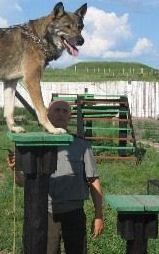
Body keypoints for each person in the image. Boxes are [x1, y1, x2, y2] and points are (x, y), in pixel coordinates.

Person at [7, 100, 104, 254]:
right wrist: (14, 170)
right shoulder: (37, 145)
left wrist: (99, 215)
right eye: (56, 110)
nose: (60, 114)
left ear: (70, 117)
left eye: (65, 111)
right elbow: (23, 183)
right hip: (47, 214)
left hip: (74, 213)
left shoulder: (82, 146)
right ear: (47, 115)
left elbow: (93, 180)